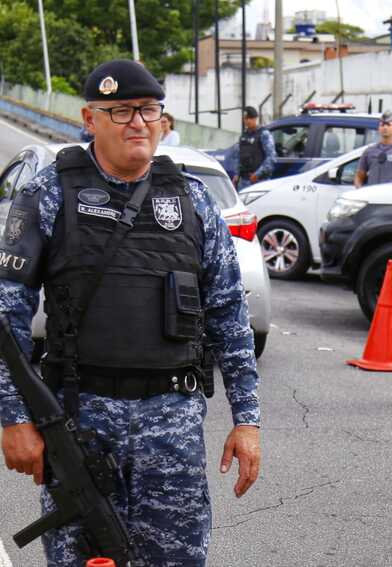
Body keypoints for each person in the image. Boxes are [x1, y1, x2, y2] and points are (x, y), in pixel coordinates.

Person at [0, 58, 261, 565]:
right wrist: (13, 419)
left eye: (148, 110)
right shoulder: (50, 192)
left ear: (164, 121)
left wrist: (247, 421)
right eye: (119, 111)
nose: (137, 122)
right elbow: (6, 316)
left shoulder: (195, 200)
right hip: (80, 422)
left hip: (174, 427)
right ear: (89, 118)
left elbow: (230, 315)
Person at [233, 106, 275, 190]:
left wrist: (257, 174)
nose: (248, 121)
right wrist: (237, 175)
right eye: (245, 118)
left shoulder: (263, 134)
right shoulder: (243, 136)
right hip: (244, 181)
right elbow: (239, 157)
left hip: (260, 181)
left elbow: (271, 157)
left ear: (255, 118)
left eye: (250, 118)